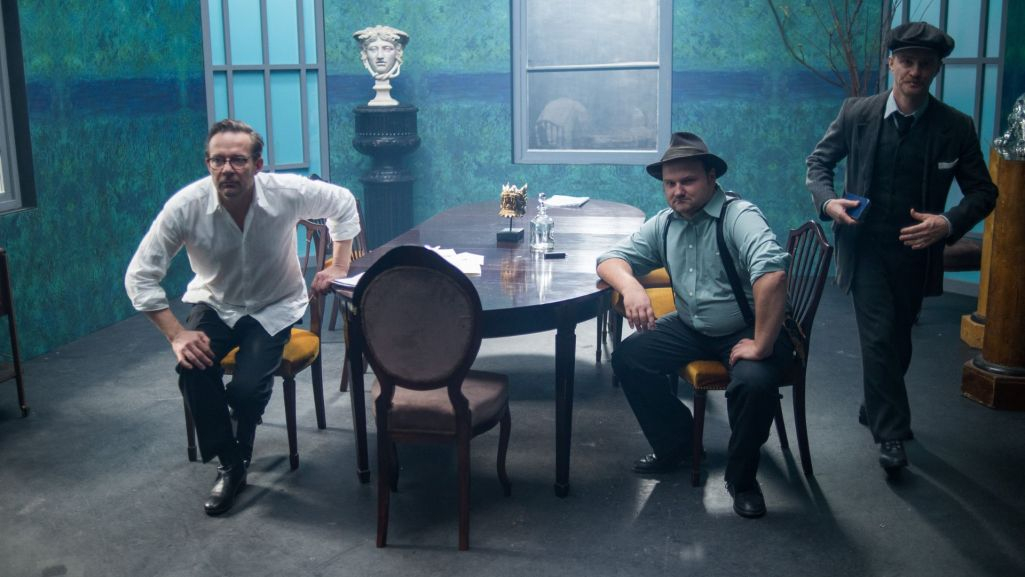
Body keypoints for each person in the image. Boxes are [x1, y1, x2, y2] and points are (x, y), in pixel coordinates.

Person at [125, 119, 361, 515]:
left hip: (274, 304)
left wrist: (338, 264)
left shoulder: (285, 193)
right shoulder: (185, 207)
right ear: (207, 164)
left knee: (248, 391)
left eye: (238, 160)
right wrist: (177, 335)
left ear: (258, 165)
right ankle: (232, 463)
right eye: (218, 160)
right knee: (192, 368)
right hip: (216, 302)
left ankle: (237, 433)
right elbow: (140, 276)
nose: (227, 169)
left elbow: (343, 202)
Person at [806, 22, 997, 476]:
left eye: (925, 64)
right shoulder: (856, 113)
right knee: (878, 337)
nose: (915, 71)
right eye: (907, 61)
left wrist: (946, 223)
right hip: (864, 247)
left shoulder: (955, 127)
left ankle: (876, 403)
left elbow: (984, 192)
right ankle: (891, 434)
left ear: (936, 69)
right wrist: (829, 201)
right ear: (891, 62)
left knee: (898, 340)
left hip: (917, 252)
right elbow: (818, 164)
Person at [598, 132, 792, 519]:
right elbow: (610, 259)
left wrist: (761, 344)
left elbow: (772, 273)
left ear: (711, 178)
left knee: (754, 385)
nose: (677, 191)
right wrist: (632, 287)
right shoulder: (665, 223)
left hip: (746, 327)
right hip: (691, 325)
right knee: (630, 358)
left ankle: (742, 480)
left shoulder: (739, 216)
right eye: (670, 183)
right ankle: (681, 447)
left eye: (687, 181)